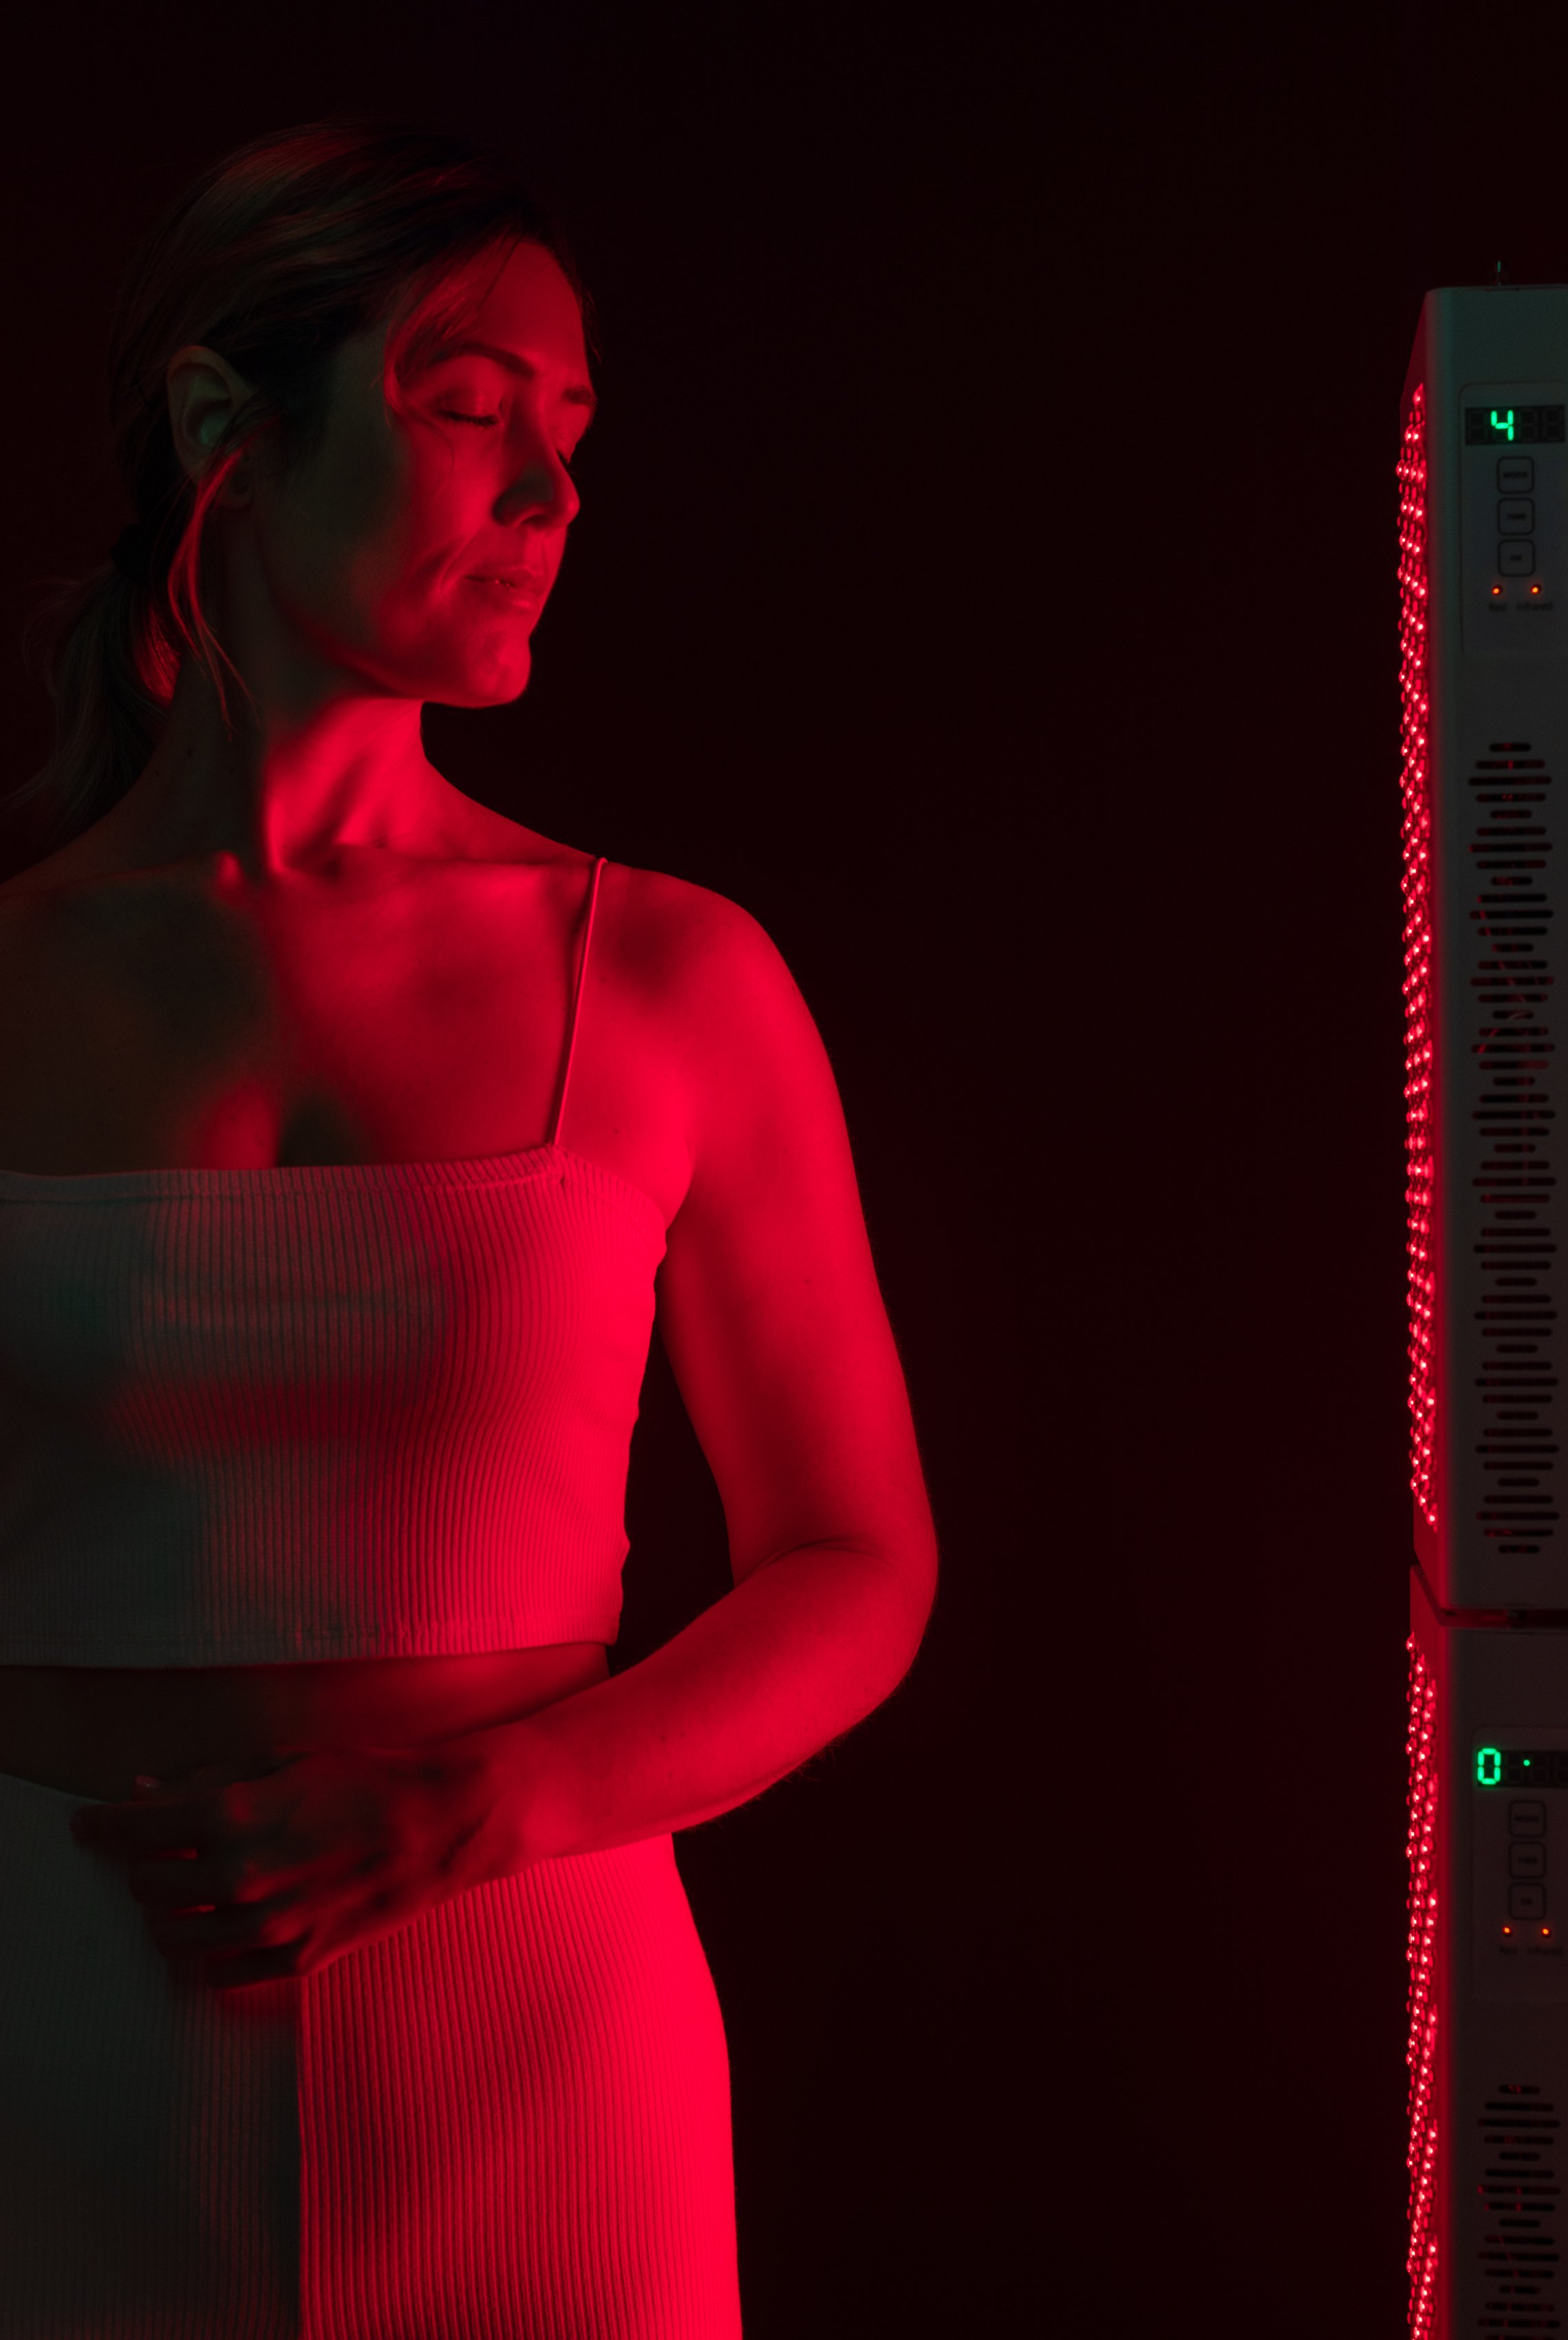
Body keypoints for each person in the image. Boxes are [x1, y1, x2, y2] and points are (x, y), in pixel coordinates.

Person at [0, 117, 936, 2337]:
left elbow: (859, 1566)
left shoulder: (672, 977)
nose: (552, 498)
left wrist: (478, 1812)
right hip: (44, 2032)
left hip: (536, 2034)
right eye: (466, 408)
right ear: (231, 430)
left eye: (571, 434)